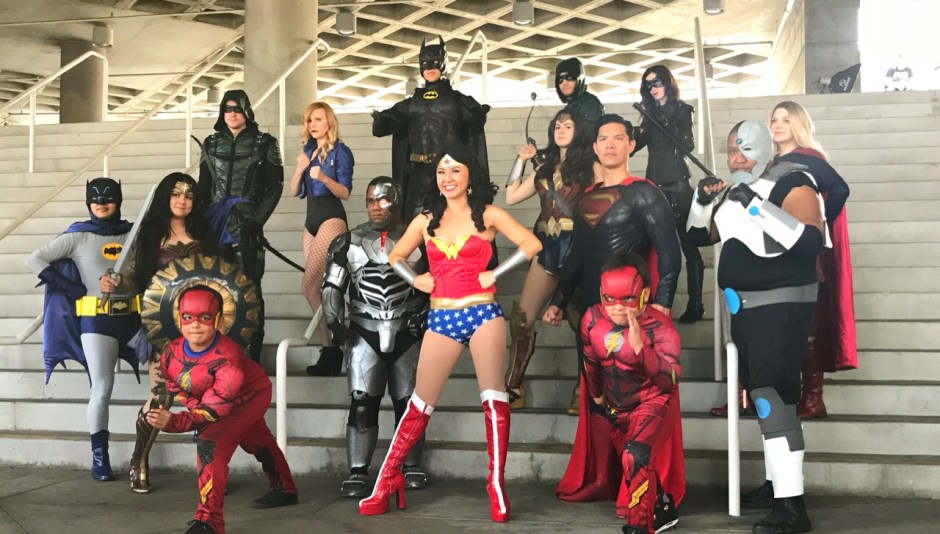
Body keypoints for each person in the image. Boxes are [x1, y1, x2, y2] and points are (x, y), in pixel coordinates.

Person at [357, 144, 542, 523]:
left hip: (482, 311)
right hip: (442, 316)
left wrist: (495, 273)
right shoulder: (425, 220)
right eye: (442, 172)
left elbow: (532, 243)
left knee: (494, 399)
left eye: (455, 170)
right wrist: (416, 279)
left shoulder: (487, 214)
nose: (448, 178)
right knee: (419, 403)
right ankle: (387, 479)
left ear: (470, 175)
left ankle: (496, 484)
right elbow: (395, 256)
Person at [687, 120, 826, 533]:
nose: (736, 159)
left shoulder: (794, 181)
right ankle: (777, 485)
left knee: (772, 398)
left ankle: (792, 507)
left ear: (764, 148)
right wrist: (701, 201)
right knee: (766, 398)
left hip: (780, 306)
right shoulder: (734, 191)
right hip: (745, 311)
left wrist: (756, 205)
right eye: (731, 151)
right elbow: (698, 236)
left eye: (744, 150)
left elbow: (808, 242)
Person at [544, 114, 682, 525]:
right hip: (593, 314)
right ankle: (604, 478)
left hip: (632, 314)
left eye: (617, 138)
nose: (608, 145)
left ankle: (641, 489)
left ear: (631, 145)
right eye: (602, 138)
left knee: (640, 403)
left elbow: (669, 251)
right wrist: (558, 299)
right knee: (599, 399)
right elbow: (577, 255)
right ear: (595, 146)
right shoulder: (586, 196)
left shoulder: (644, 193)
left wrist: (663, 304)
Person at [99, 172, 220, 493]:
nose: (182, 200)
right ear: (165, 197)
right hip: (161, 324)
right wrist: (112, 283)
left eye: (189, 195)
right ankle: (139, 460)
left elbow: (221, 277)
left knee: (208, 398)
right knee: (162, 394)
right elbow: (129, 276)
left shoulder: (205, 234)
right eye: (176, 194)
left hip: (202, 325)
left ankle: (210, 471)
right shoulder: (149, 235)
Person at [146, 286, 298, 534]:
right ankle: (286, 488)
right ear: (179, 318)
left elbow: (216, 407)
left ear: (218, 319)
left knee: (211, 444)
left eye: (204, 317)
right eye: (188, 317)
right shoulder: (171, 353)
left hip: (250, 395)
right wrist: (194, 408)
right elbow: (174, 384)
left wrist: (176, 422)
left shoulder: (227, 356)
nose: (195, 325)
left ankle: (210, 521)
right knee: (257, 440)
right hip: (218, 403)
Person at [26, 177, 142, 481]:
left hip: (135, 320)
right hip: (97, 322)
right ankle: (99, 457)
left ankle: (146, 455)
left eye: (108, 198)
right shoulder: (78, 235)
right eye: (95, 198)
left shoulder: (136, 232)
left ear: (119, 200)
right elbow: (34, 259)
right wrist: (70, 286)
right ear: (88, 202)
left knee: (169, 377)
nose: (101, 203)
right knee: (101, 389)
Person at [320, 176, 430, 497]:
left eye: (383, 200)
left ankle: (410, 465)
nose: (376, 207)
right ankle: (358, 470)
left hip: (408, 329)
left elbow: (434, 283)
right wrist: (335, 325)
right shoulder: (348, 241)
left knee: (409, 404)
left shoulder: (419, 239)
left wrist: (428, 317)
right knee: (361, 404)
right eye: (371, 200)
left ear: (397, 202)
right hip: (363, 331)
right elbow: (332, 288)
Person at [581, 253, 684, 534]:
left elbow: (670, 380)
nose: (617, 307)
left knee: (634, 455)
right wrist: (597, 394)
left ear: (644, 294)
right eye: (609, 298)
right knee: (636, 462)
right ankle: (662, 507)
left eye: (627, 298)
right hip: (617, 406)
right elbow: (590, 359)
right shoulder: (592, 319)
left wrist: (642, 352)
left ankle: (639, 527)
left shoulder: (661, 328)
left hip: (654, 399)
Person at [502, 108, 595, 409]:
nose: (561, 130)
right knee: (521, 320)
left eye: (568, 125)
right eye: (557, 126)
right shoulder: (543, 169)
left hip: (577, 249)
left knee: (581, 320)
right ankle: (513, 386)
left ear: (579, 130)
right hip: (546, 249)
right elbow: (511, 196)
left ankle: (585, 387)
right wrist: (521, 159)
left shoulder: (590, 166)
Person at [770, 101, 856, 420]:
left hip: (805, 254)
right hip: (778, 251)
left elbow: (840, 189)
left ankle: (813, 397)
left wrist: (818, 227)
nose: (777, 125)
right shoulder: (773, 162)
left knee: (807, 326)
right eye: (774, 119)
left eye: (785, 119)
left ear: (798, 124)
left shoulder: (808, 159)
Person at [198, 89, 284, 362]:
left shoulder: (265, 143)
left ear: (247, 111)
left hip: (247, 229)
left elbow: (274, 187)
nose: (232, 113)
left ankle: (251, 357)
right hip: (214, 229)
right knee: (213, 290)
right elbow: (203, 189)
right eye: (228, 108)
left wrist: (257, 221)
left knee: (249, 291)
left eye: (237, 108)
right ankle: (218, 354)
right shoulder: (210, 144)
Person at [372, 36, 490, 218]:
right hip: (418, 177)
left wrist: (475, 111)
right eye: (425, 63)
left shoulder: (457, 101)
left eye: (435, 62)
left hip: (449, 173)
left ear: (443, 63)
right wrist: (380, 119)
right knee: (416, 222)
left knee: (454, 221)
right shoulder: (411, 104)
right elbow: (380, 129)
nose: (430, 67)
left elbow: (476, 122)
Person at [632, 65, 704, 323]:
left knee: (689, 245)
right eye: (648, 84)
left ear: (668, 82)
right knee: (649, 246)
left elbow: (688, 144)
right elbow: (635, 145)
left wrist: (665, 123)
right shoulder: (648, 114)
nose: (653, 88)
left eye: (657, 82)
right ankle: (646, 302)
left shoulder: (683, 110)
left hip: (678, 185)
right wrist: (628, 135)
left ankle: (696, 305)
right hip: (653, 186)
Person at [288, 101, 355, 377]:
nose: (312, 124)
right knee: (316, 289)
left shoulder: (341, 151)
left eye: (317, 119)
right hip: (311, 222)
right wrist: (299, 170)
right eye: (309, 120)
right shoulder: (307, 152)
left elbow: (345, 192)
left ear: (329, 122)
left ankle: (335, 345)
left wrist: (325, 178)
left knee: (309, 285)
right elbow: (294, 191)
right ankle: (331, 348)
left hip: (331, 219)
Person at [554, 58, 606, 130]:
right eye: (560, 80)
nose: (564, 82)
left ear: (579, 79)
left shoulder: (590, 104)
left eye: (569, 77)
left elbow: (589, 134)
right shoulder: (570, 107)